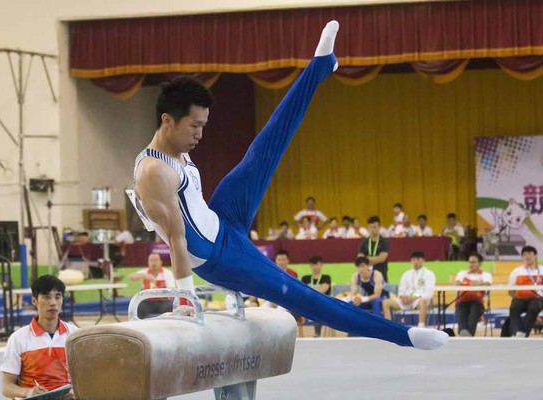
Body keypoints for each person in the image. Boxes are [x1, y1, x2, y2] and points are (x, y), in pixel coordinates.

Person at [130, 21, 447, 350]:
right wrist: (185, 299)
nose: (200, 135)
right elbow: (176, 240)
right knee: (302, 296)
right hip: (219, 257)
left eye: (204, 126)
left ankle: (320, 65)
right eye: (194, 126)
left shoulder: (177, 152)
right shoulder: (153, 172)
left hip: (222, 219)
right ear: (167, 120)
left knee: (264, 149)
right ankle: (404, 336)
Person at [0, 275, 77, 399]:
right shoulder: (18, 339)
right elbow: (6, 387)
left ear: (62, 300)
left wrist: (75, 392)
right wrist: (27, 393)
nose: (53, 303)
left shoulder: (75, 336)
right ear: (34, 301)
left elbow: (87, 377)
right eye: (47, 297)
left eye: (57, 297)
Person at [382, 251, 436, 328]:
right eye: (413, 260)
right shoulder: (406, 274)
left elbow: (429, 293)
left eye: (418, 260)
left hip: (418, 300)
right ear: (411, 261)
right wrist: (402, 297)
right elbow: (401, 290)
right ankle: (389, 327)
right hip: (406, 300)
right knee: (385, 302)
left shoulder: (429, 274)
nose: (415, 262)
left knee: (423, 301)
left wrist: (413, 298)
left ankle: (421, 326)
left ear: (423, 260)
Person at [507, 245, 543, 337]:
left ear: (535, 256)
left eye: (530, 254)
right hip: (520, 298)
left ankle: (523, 334)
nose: (527, 256)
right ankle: (517, 332)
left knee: (534, 307)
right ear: (522, 257)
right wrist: (516, 298)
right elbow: (510, 290)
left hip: (537, 299)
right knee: (514, 307)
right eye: (524, 255)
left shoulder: (542, 270)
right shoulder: (517, 271)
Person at [454, 252, 492, 336]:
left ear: (480, 263)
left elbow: (487, 284)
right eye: (470, 262)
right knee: (462, 310)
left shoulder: (486, 275)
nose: (471, 264)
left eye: (474, 262)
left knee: (474, 311)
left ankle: (467, 334)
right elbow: (457, 283)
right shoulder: (462, 273)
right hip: (462, 301)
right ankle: (464, 331)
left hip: (477, 302)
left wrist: (479, 284)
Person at [128, 252, 176, 318]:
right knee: (139, 307)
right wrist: (144, 275)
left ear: (161, 262)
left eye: (156, 260)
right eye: (151, 260)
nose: (153, 263)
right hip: (147, 301)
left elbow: (172, 290)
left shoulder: (167, 273)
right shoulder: (145, 272)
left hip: (163, 301)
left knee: (169, 307)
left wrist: (156, 283)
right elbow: (131, 277)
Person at [301, 256, 332, 337]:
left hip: (322, 304)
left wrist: (308, 292)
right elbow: (302, 292)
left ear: (321, 265)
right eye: (312, 265)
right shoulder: (305, 278)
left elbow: (323, 290)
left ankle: (317, 333)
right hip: (307, 303)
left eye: (317, 264)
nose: (314, 267)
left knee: (318, 311)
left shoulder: (326, 278)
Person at [358, 216, 391, 282]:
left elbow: (381, 259)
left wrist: (367, 259)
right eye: (370, 227)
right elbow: (361, 260)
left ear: (379, 227)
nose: (372, 229)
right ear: (367, 228)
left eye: (374, 227)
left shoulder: (384, 242)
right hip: (366, 276)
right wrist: (375, 259)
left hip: (381, 275)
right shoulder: (363, 243)